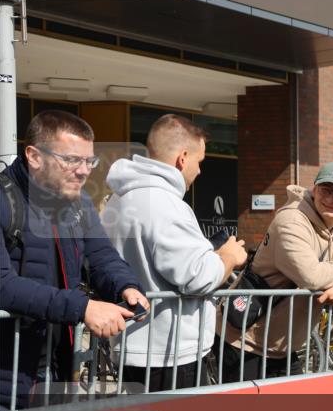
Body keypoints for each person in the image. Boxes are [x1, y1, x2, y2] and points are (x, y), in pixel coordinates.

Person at [0, 111, 148, 409]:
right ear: (34, 156)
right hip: (6, 375)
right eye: (71, 160)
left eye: (89, 161)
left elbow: (101, 256)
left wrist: (125, 286)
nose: (83, 171)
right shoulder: (3, 199)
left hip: (57, 370)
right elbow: (1, 283)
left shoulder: (78, 203)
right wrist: (82, 308)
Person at [102, 114, 248, 391]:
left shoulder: (119, 199)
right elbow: (197, 277)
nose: (199, 171)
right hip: (170, 352)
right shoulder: (165, 203)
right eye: (199, 161)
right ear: (183, 158)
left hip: (135, 345)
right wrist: (228, 256)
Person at [217, 162, 333, 380]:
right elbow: (312, 276)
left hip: (283, 346)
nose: (330, 199)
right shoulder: (291, 220)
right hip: (244, 340)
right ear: (314, 188)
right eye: (325, 189)